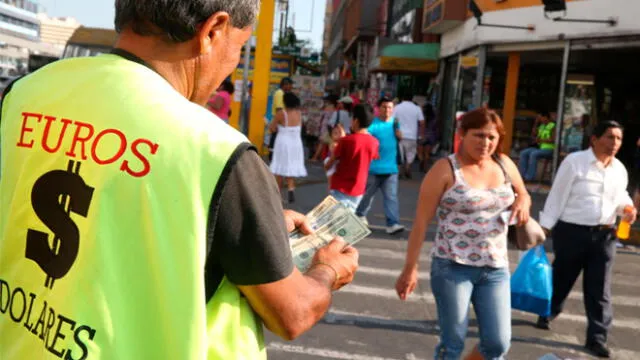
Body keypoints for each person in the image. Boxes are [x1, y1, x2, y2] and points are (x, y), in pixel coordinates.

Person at [0, 1, 360, 359]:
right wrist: (327, 270)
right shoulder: (215, 150)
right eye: (237, 48)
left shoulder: (27, 93)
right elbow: (292, 312)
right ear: (213, 30)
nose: (231, 64)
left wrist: (236, 226)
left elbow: (103, 208)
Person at [395, 108, 531, 360]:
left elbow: (522, 191)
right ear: (462, 134)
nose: (486, 143)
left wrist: (523, 200)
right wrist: (409, 269)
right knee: (453, 343)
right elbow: (421, 224)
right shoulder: (445, 169)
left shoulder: (503, 163)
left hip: (495, 267)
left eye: (492, 137)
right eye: (478, 136)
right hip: (452, 267)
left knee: (498, 343)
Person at [537, 121, 637, 358]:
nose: (615, 144)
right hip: (572, 232)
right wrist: (544, 229)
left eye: (619, 139)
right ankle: (548, 311)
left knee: (599, 289)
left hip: (605, 235)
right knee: (562, 277)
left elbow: (620, 195)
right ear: (594, 139)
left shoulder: (619, 169)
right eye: (610, 137)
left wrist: (627, 208)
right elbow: (557, 196)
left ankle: (597, 338)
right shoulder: (575, 163)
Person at [355, 97, 405, 235]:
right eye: (384, 107)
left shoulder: (395, 123)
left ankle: (392, 223)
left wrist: (400, 136)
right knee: (366, 196)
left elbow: (398, 140)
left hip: (391, 168)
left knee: (391, 197)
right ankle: (359, 215)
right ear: (378, 108)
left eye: (389, 107)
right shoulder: (372, 125)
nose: (387, 110)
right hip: (372, 168)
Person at [324, 104, 379, 212]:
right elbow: (372, 158)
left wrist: (327, 164)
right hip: (359, 188)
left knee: (334, 220)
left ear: (356, 121)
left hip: (340, 186)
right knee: (347, 219)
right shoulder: (374, 142)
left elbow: (330, 163)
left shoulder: (346, 141)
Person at [269, 92, 308, 203]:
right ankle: (291, 190)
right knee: (290, 167)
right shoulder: (299, 113)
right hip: (296, 143)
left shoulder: (281, 113)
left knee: (279, 168)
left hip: (283, 142)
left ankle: (277, 194)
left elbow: (272, 128)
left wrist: (272, 127)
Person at [393, 92, 425, 179]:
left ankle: (400, 170)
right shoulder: (417, 108)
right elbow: (422, 122)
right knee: (411, 153)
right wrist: (421, 135)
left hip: (400, 135)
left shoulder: (397, 107)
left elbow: (392, 120)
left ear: (403, 98)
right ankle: (408, 167)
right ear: (412, 99)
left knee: (400, 154)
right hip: (412, 136)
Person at [518, 111, 556, 182]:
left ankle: (529, 177)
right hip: (540, 148)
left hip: (550, 149)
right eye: (539, 119)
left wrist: (541, 140)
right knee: (524, 153)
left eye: (541, 118)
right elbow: (534, 134)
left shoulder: (553, 126)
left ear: (546, 117)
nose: (540, 120)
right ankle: (522, 176)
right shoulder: (542, 126)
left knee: (533, 154)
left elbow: (553, 140)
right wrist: (536, 123)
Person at [268, 77, 294, 160]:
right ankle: (272, 158)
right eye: (290, 85)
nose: (291, 87)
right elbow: (279, 109)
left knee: (276, 139)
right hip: (278, 121)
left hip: (279, 121)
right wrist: (279, 122)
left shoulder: (282, 93)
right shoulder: (280, 93)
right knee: (275, 139)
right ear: (285, 85)